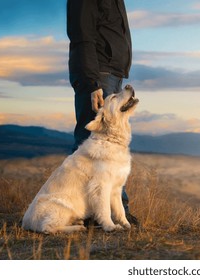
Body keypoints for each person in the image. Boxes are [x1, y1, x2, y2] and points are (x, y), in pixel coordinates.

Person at [67, 0, 138, 226]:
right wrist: (91, 81)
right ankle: (92, 214)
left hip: (111, 72)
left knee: (111, 148)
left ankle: (115, 212)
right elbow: (82, 35)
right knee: (91, 145)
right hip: (98, 74)